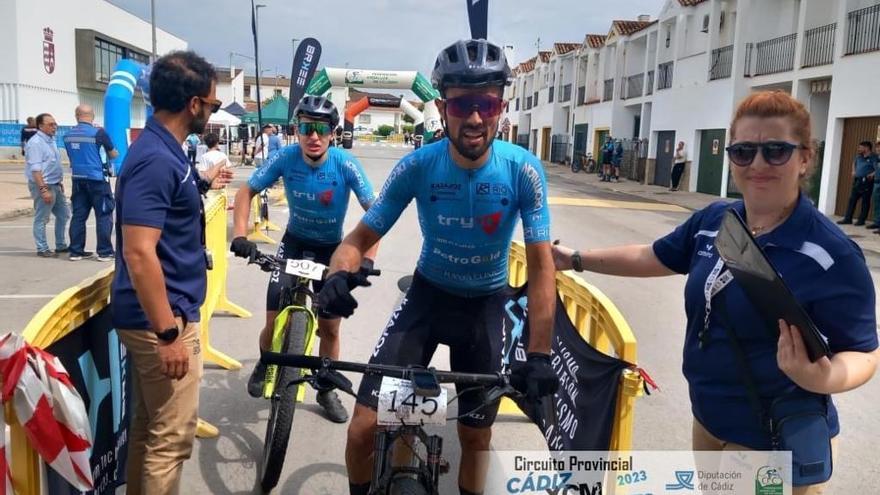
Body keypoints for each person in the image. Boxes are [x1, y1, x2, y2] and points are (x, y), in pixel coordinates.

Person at [553, 91, 878, 495]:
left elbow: (864, 353)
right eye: (743, 151)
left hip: (770, 436)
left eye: (776, 150)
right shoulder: (716, 220)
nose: (757, 164)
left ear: (805, 158)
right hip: (708, 420)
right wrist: (574, 259)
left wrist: (823, 376)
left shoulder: (830, 254)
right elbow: (653, 256)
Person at [318, 39, 559, 495]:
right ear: (444, 108)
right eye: (462, 104)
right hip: (427, 300)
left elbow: (543, 268)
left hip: (485, 308)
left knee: (475, 437)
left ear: (500, 107)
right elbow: (358, 240)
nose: (473, 118)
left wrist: (541, 353)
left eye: (485, 103)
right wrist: (336, 275)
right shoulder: (418, 166)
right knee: (362, 431)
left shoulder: (523, 170)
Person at [111, 50, 231, 495]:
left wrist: (201, 186)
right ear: (194, 104)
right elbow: (140, 252)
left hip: (161, 312)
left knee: (149, 428)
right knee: (171, 439)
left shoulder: (164, 149)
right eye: (214, 105)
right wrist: (167, 334)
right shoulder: (156, 158)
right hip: (159, 319)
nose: (212, 114)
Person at [230, 95, 377, 423]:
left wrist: (364, 260)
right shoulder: (285, 157)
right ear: (296, 130)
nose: (313, 136)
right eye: (306, 128)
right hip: (293, 244)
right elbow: (245, 192)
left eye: (321, 129)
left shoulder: (345, 163)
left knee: (330, 329)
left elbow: (376, 214)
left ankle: (325, 389)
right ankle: (267, 360)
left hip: (331, 250)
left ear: (332, 132)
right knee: (272, 321)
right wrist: (240, 235)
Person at [63, 104, 119, 262]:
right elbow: (113, 154)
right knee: (103, 215)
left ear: (76, 115)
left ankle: (76, 251)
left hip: (78, 179)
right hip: (98, 180)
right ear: (93, 115)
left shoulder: (67, 135)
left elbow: (71, 155)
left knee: (79, 215)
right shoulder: (99, 133)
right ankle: (104, 252)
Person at [25, 113, 70, 258]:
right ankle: (42, 248)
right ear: (41, 126)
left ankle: (61, 245)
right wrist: (43, 190)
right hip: (43, 185)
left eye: (55, 124)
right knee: (42, 218)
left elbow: (51, 164)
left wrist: (59, 182)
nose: (54, 127)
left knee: (64, 214)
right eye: (51, 124)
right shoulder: (36, 143)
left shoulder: (51, 140)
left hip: (55, 184)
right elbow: (36, 170)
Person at [837, 141, 876, 226]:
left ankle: (861, 220)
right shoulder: (859, 156)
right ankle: (848, 219)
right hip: (857, 181)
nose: (859, 149)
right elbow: (854, 163)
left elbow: (877, 168)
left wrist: (872, 174)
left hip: (867, 181)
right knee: (852, 200)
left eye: (860, 147)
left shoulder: (873, 157)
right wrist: (853, 170)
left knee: (865, 202)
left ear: (866, 148)